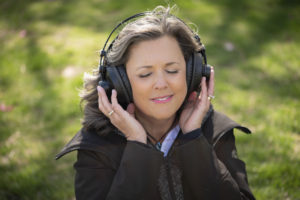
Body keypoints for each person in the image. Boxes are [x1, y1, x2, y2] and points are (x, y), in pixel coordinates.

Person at [56, 5, 255, 200]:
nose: (161, 84)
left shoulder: (217, 130)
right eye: (145, 74)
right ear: (120, 82)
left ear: (192, 72)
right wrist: (137, 144)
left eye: (172, 71)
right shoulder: (97, 146)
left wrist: (194, 138)